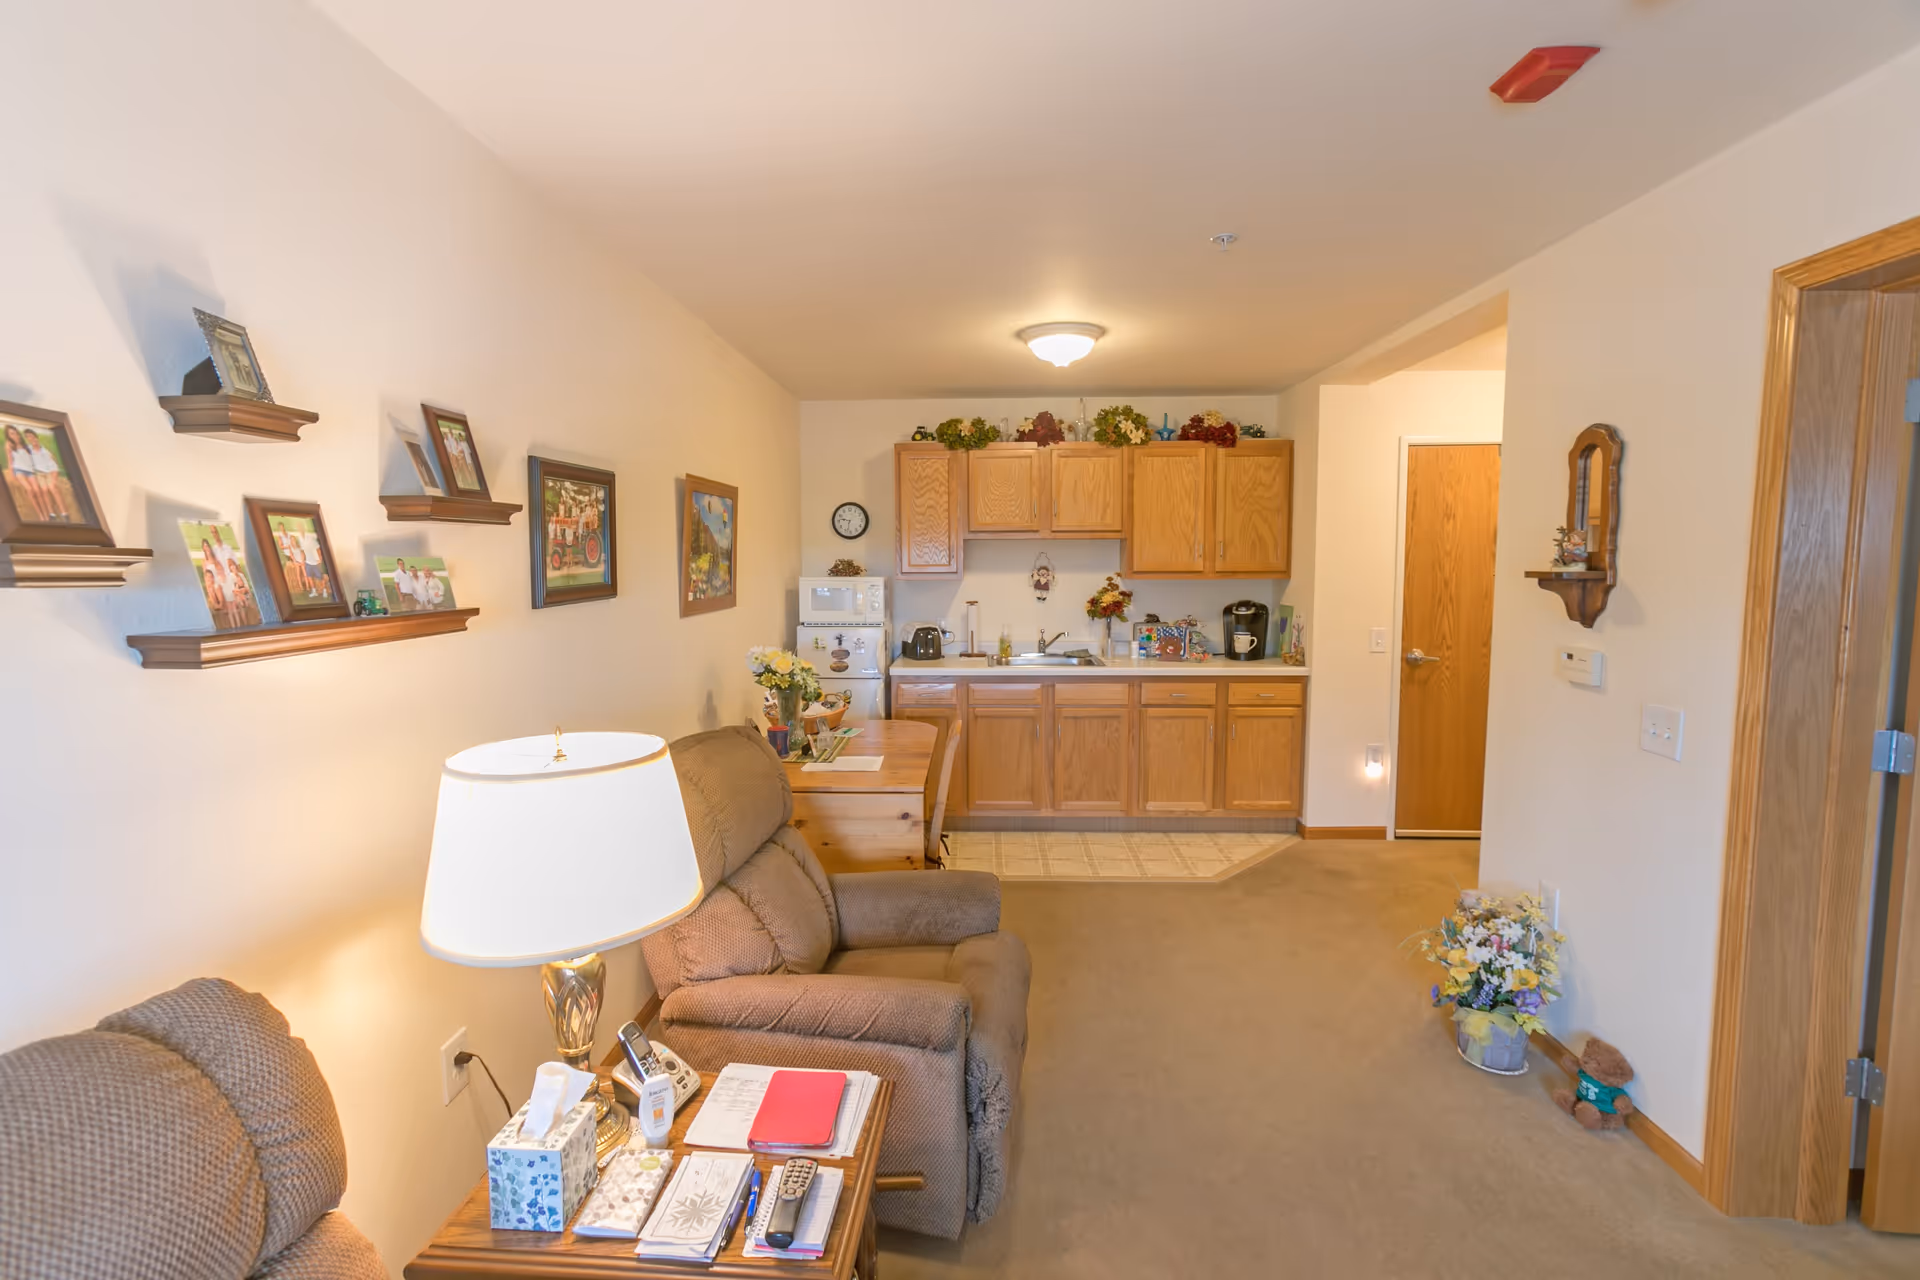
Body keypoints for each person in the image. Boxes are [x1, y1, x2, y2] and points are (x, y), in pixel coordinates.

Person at [5, 425, 45, 522]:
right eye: (12, 433)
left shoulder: (24, 444)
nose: (15, 435)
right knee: (30, 489)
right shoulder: (9, 445)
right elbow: (10, 461)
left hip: (30, 470)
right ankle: (40, 515)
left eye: (16, 433)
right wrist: (11, 474)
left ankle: (46, 514)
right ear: (8, 435)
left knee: (38, 490)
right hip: (19, 470)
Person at [24, 429, 65, 522]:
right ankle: (52, 514)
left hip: (48, 472)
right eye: (28, 437)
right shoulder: (28, 450)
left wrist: (54, 474)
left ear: (36, 437)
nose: (31, 439)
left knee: (53, 488)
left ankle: (64, 513)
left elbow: (52, 461)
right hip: (39, 472)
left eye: (32, 436)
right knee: (44, 490)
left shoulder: (44, 450)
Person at [300, 525, 327, 599]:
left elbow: (318, 548)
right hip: (308, 561)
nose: (300, 530)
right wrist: (303, 560)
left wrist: (320, 558)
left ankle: (324, 590)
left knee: (320, 577)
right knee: (309, 577)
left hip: (315, 561)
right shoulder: (301, 539)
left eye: (301, 528)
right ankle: (314, 591)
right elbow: (302, 551)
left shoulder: (310, 538)